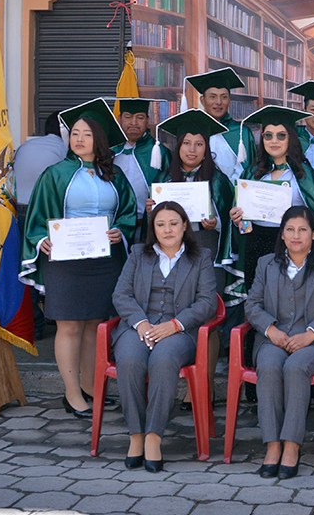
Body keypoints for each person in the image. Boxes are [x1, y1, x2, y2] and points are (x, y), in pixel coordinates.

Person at [19, 99, 138, 417]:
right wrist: (41, 239)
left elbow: (128, 212)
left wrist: (120, 230)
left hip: (103, 261)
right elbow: (37, 216)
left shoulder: (114, 175)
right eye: (74, 133)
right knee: (69, 325)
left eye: (87, 134)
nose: (79, 139)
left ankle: (91, 388)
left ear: (99, 139)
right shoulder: (55, 174)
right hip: (65, 260)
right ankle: (72, 395)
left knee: (95, 325)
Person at [110, 201, 218, 472]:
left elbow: (207, 303)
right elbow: (121, 294)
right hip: (139, 327)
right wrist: (140, 323)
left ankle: (154, 436)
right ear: (153, 229)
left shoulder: (201, 257)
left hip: (179, 331)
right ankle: (136, 434)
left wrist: (176, 324)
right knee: (130, 360)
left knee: (163, 359)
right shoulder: (138, 254)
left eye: (173, 223)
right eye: (160, 224)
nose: (167, 230)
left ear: (185, 226)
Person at [245, 206, 314, 479]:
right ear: (281, 234)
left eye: (303, 229)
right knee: (269, 366)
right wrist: (271, 330)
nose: (296, 235)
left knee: (295, 367)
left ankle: (291, 445)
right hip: (274, 339)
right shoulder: (266, 264)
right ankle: (272, 445)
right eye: (289, 229)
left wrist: (310, 334)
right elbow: (252, 304)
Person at [149, 109, 237, 412]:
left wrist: (216, 223)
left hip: (207, 251)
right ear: (178, 146)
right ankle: (178, 380)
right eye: (187, 143)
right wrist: (151, 211)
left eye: (199, 144)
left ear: (206, 148)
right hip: (172, 256)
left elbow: (230, 218)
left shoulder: (219, 180)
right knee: (176, 316)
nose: (192, 149)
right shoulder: (163, 179)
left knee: (207, 321)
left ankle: (204, 388)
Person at [231, 106, 314, 300]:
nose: (274, 141)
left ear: (291, 138)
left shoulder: (304, 175)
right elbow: (243, 222)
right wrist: (237, 219)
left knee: (288, 299)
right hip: (256, 244)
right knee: (258, 297)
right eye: (268, 136)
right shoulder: (252, 173)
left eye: (281, 135)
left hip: (291, 244)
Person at [13, 110, 67, 338]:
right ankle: (45, 319)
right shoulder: (65, 150)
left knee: (25, 265)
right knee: (46, 269)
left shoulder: (24, 146)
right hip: (45, 216)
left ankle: (32, 324)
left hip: (18, 213)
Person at [112, 98, 171, 240]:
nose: (133, 122)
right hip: (115, 226)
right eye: (128, 117)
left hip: (149, 225)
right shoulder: (109, 152)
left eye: (140, 117)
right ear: (119, 119)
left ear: (147, 120)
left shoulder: (159, 152)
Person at [185, 68, 257, 182]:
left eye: (224, 97)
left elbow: (247, 171)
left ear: (229, 101)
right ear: (203, 101)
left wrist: (224, 190)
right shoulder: (193, 132)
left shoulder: (241, 133)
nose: (218, 102)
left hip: (234, 191)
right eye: (212, 97)